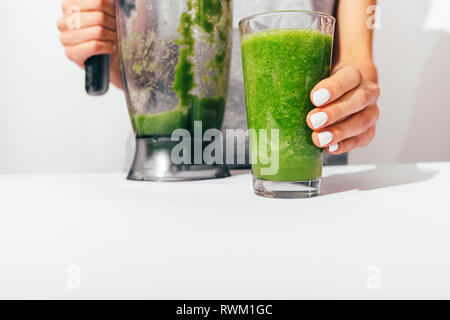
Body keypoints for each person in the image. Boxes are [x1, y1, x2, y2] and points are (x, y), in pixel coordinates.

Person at [57, 0, 380, 164]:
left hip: (305, 179)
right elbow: (139, 70)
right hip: (171, 171)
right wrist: (100, 44)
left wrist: (352, 99)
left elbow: (356, 59)